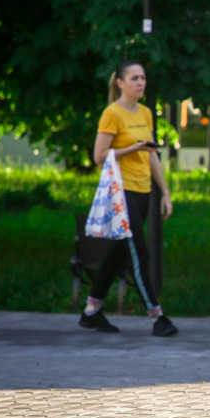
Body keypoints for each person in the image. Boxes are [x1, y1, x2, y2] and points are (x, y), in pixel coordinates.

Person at [78, 60, 178, 337]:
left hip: (143, 192)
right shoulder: (113, 113)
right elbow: (99, 157)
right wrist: (133, 148)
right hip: (120, 193)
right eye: (134, 78)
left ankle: (91, 312)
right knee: (139, 251)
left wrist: (165, 192)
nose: (140, 83)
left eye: (143, 78)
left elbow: (151, 154)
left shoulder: (145, 113)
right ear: (120, 83)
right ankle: (157, 317)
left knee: (119, 252)